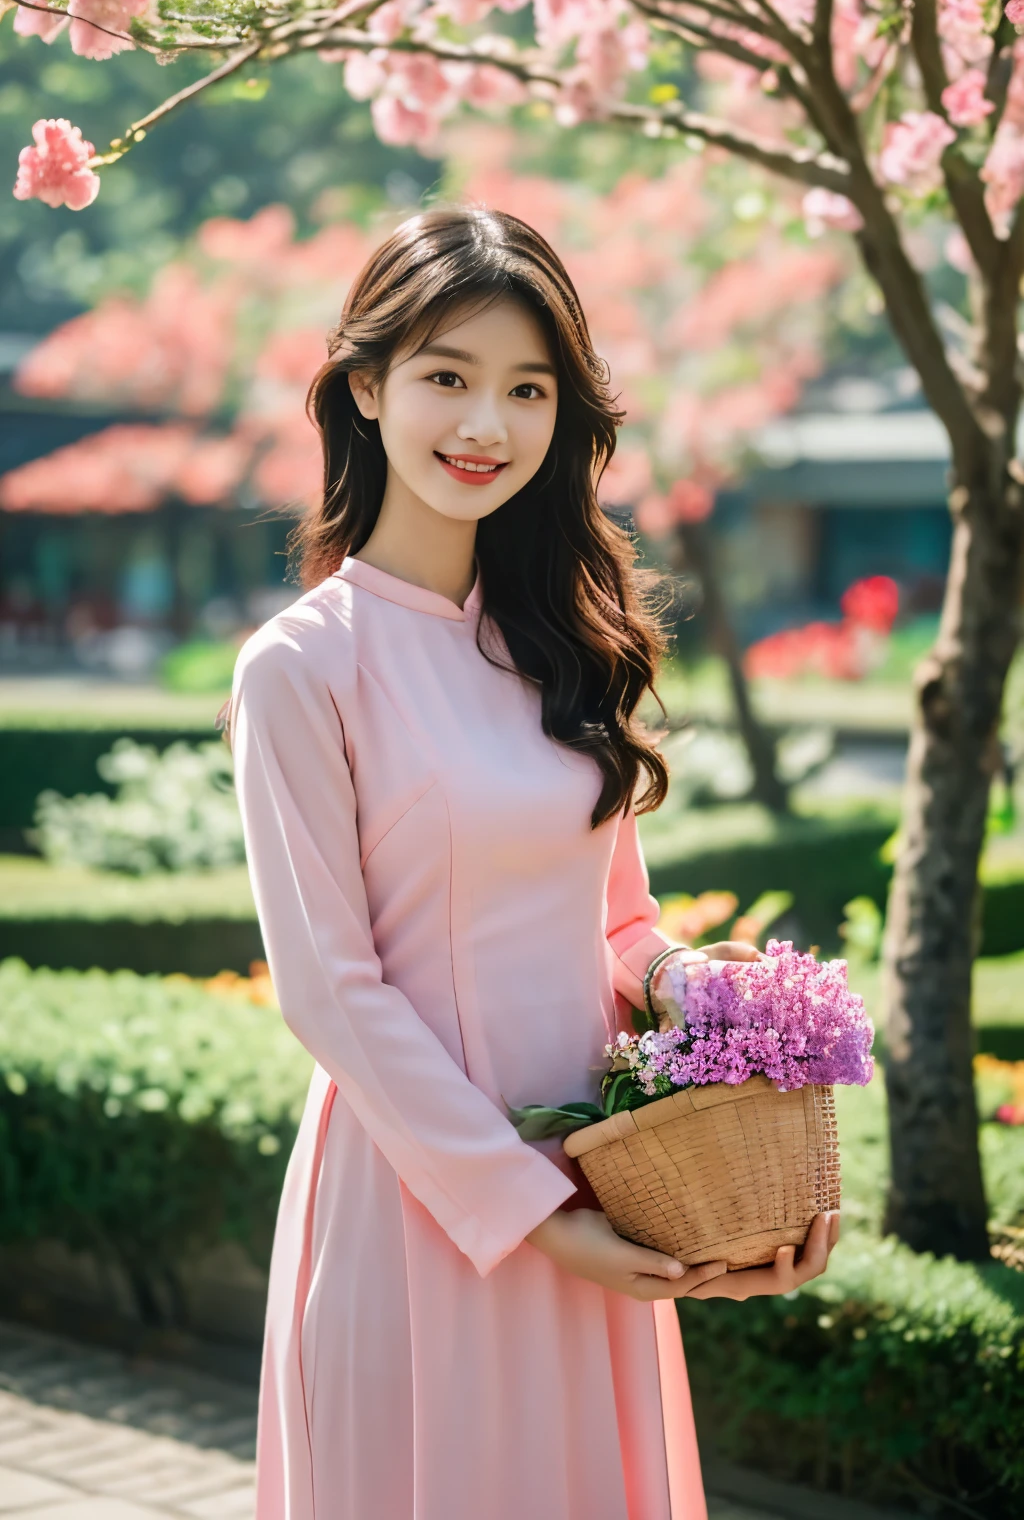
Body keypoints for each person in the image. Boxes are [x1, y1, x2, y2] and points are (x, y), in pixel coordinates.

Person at [223, 206, 839, 1520]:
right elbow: (330, 992)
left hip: (598, 1179)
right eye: (447, 375)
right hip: (425, 1199)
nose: (484, 424)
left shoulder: (557, 648)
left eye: (526, 388)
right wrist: (530, 1213)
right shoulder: (302, 666)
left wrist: (713, 1007)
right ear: (369, 385)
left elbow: (618, 928)